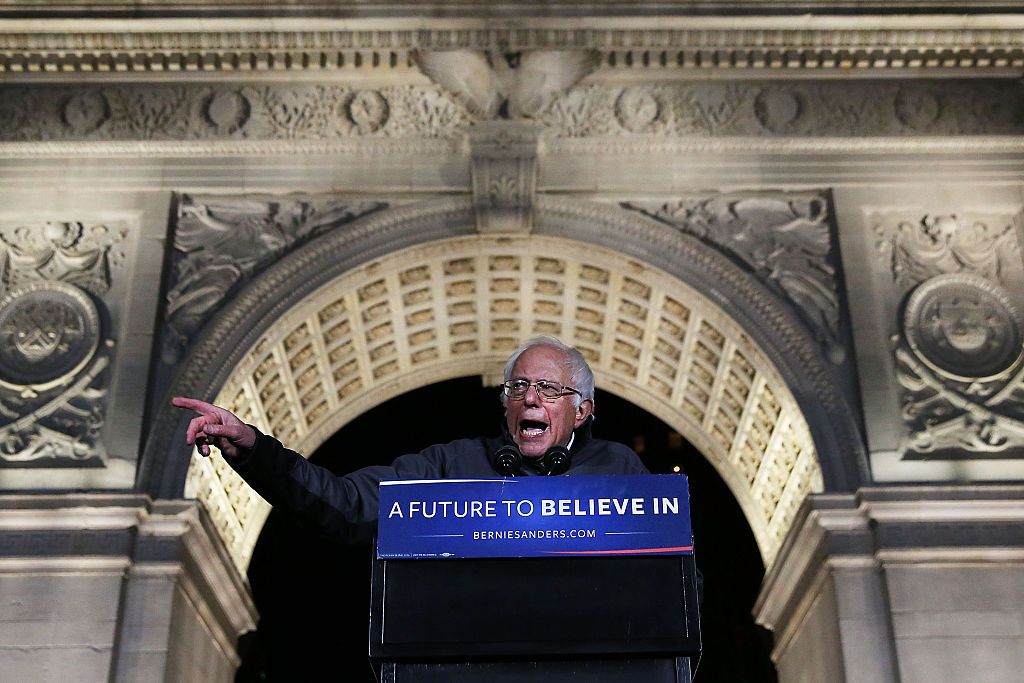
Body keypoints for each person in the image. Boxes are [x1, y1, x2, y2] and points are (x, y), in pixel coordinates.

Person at [173, 336, 648, 541]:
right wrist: (254, 449)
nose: (529, 398)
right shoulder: (451, 464)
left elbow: (676, 575)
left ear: (582, 410)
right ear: (504, 403)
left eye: (548, 389)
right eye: (518, 387)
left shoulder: (620, 468)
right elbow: (346, 502)